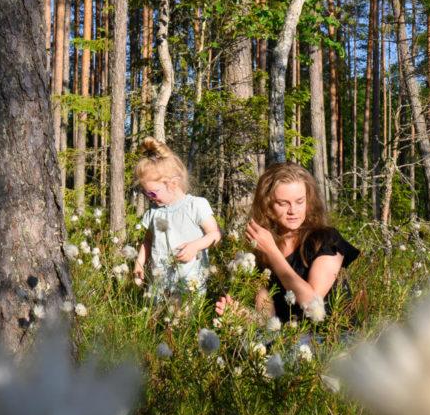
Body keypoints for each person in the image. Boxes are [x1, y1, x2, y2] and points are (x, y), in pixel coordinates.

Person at [215, 162, 359, 322]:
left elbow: (312, 305)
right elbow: (266, 319)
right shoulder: (260, 249)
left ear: (308, 201)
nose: (293, 211)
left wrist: (272, 252)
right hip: (289, 342)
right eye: (283, 203)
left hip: (336, 340)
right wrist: (241, 315)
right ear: (267, 205)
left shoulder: (326, 239)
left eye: (300, 201)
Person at [133, 137, 220, 296]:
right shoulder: (154, 212)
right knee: (159, 319)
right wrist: (139, 263)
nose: (149, 197)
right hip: (160, 286)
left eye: (153, 192)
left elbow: (214, 234)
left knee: (187, 320)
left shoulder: (196, 206)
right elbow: (147, 241)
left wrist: (195, 246)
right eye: (145, 193)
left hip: (190, 285)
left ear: (173, 183)